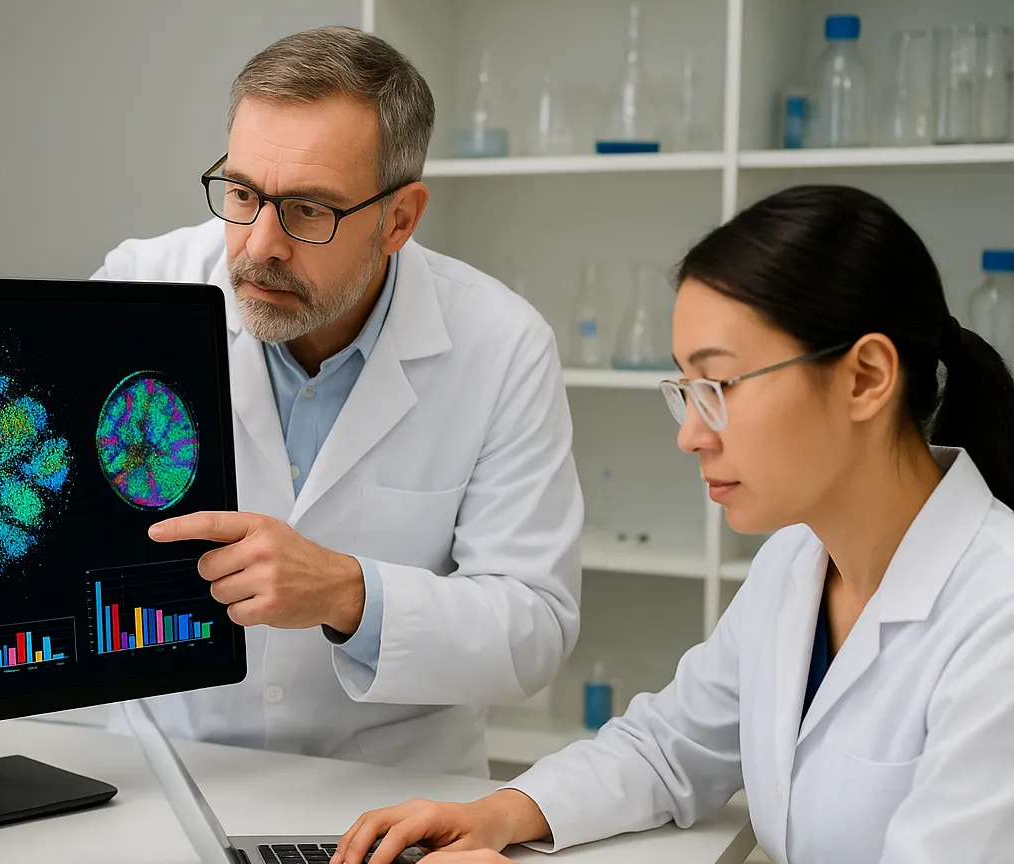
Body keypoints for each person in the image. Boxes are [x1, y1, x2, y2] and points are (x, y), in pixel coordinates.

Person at [333, 184, 1014, 864]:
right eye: (685, 391)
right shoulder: (796, 563)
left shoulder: (997, 616)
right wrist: (496, 815)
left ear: (865, 377)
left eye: (719, 388)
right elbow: (668, 747)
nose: (691, 434)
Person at [93, 26, 583, 778]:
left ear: (400, 219)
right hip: (170, 767)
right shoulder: (138, 293)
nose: (259, 246)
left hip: (389, 790)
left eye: (309, 211)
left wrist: (348, 592)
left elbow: (533, 631)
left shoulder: (502, 343)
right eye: (244, 193)